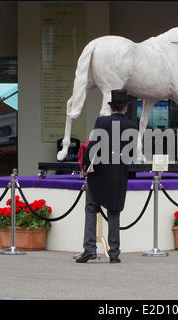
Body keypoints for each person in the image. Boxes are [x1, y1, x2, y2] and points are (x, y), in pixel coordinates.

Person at [76, 89, 137, 264]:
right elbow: (130, 154)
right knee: (114, 211)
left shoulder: (101, 121)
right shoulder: (131, 126)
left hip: (99, 173)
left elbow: (93, 146)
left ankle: (89, 249)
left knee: (90, 209)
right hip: (118, 174)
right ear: (125, 108)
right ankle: (115, 253)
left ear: (111, 108)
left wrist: (86, 167)